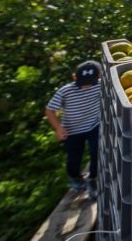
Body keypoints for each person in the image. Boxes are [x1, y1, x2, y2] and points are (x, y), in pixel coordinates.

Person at [45, 60, 102, 197]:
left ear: (99, 77)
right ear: (74, 77)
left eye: (90, 82)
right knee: (74, 157)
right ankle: (75, 178)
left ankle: (92, 178)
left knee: (97, 152)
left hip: (93, 125)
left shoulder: (100, 85)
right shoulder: (65, 91)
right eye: (83, 82)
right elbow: (50, 110)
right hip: (72, 130)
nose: (87, 86)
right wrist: (58, 128)